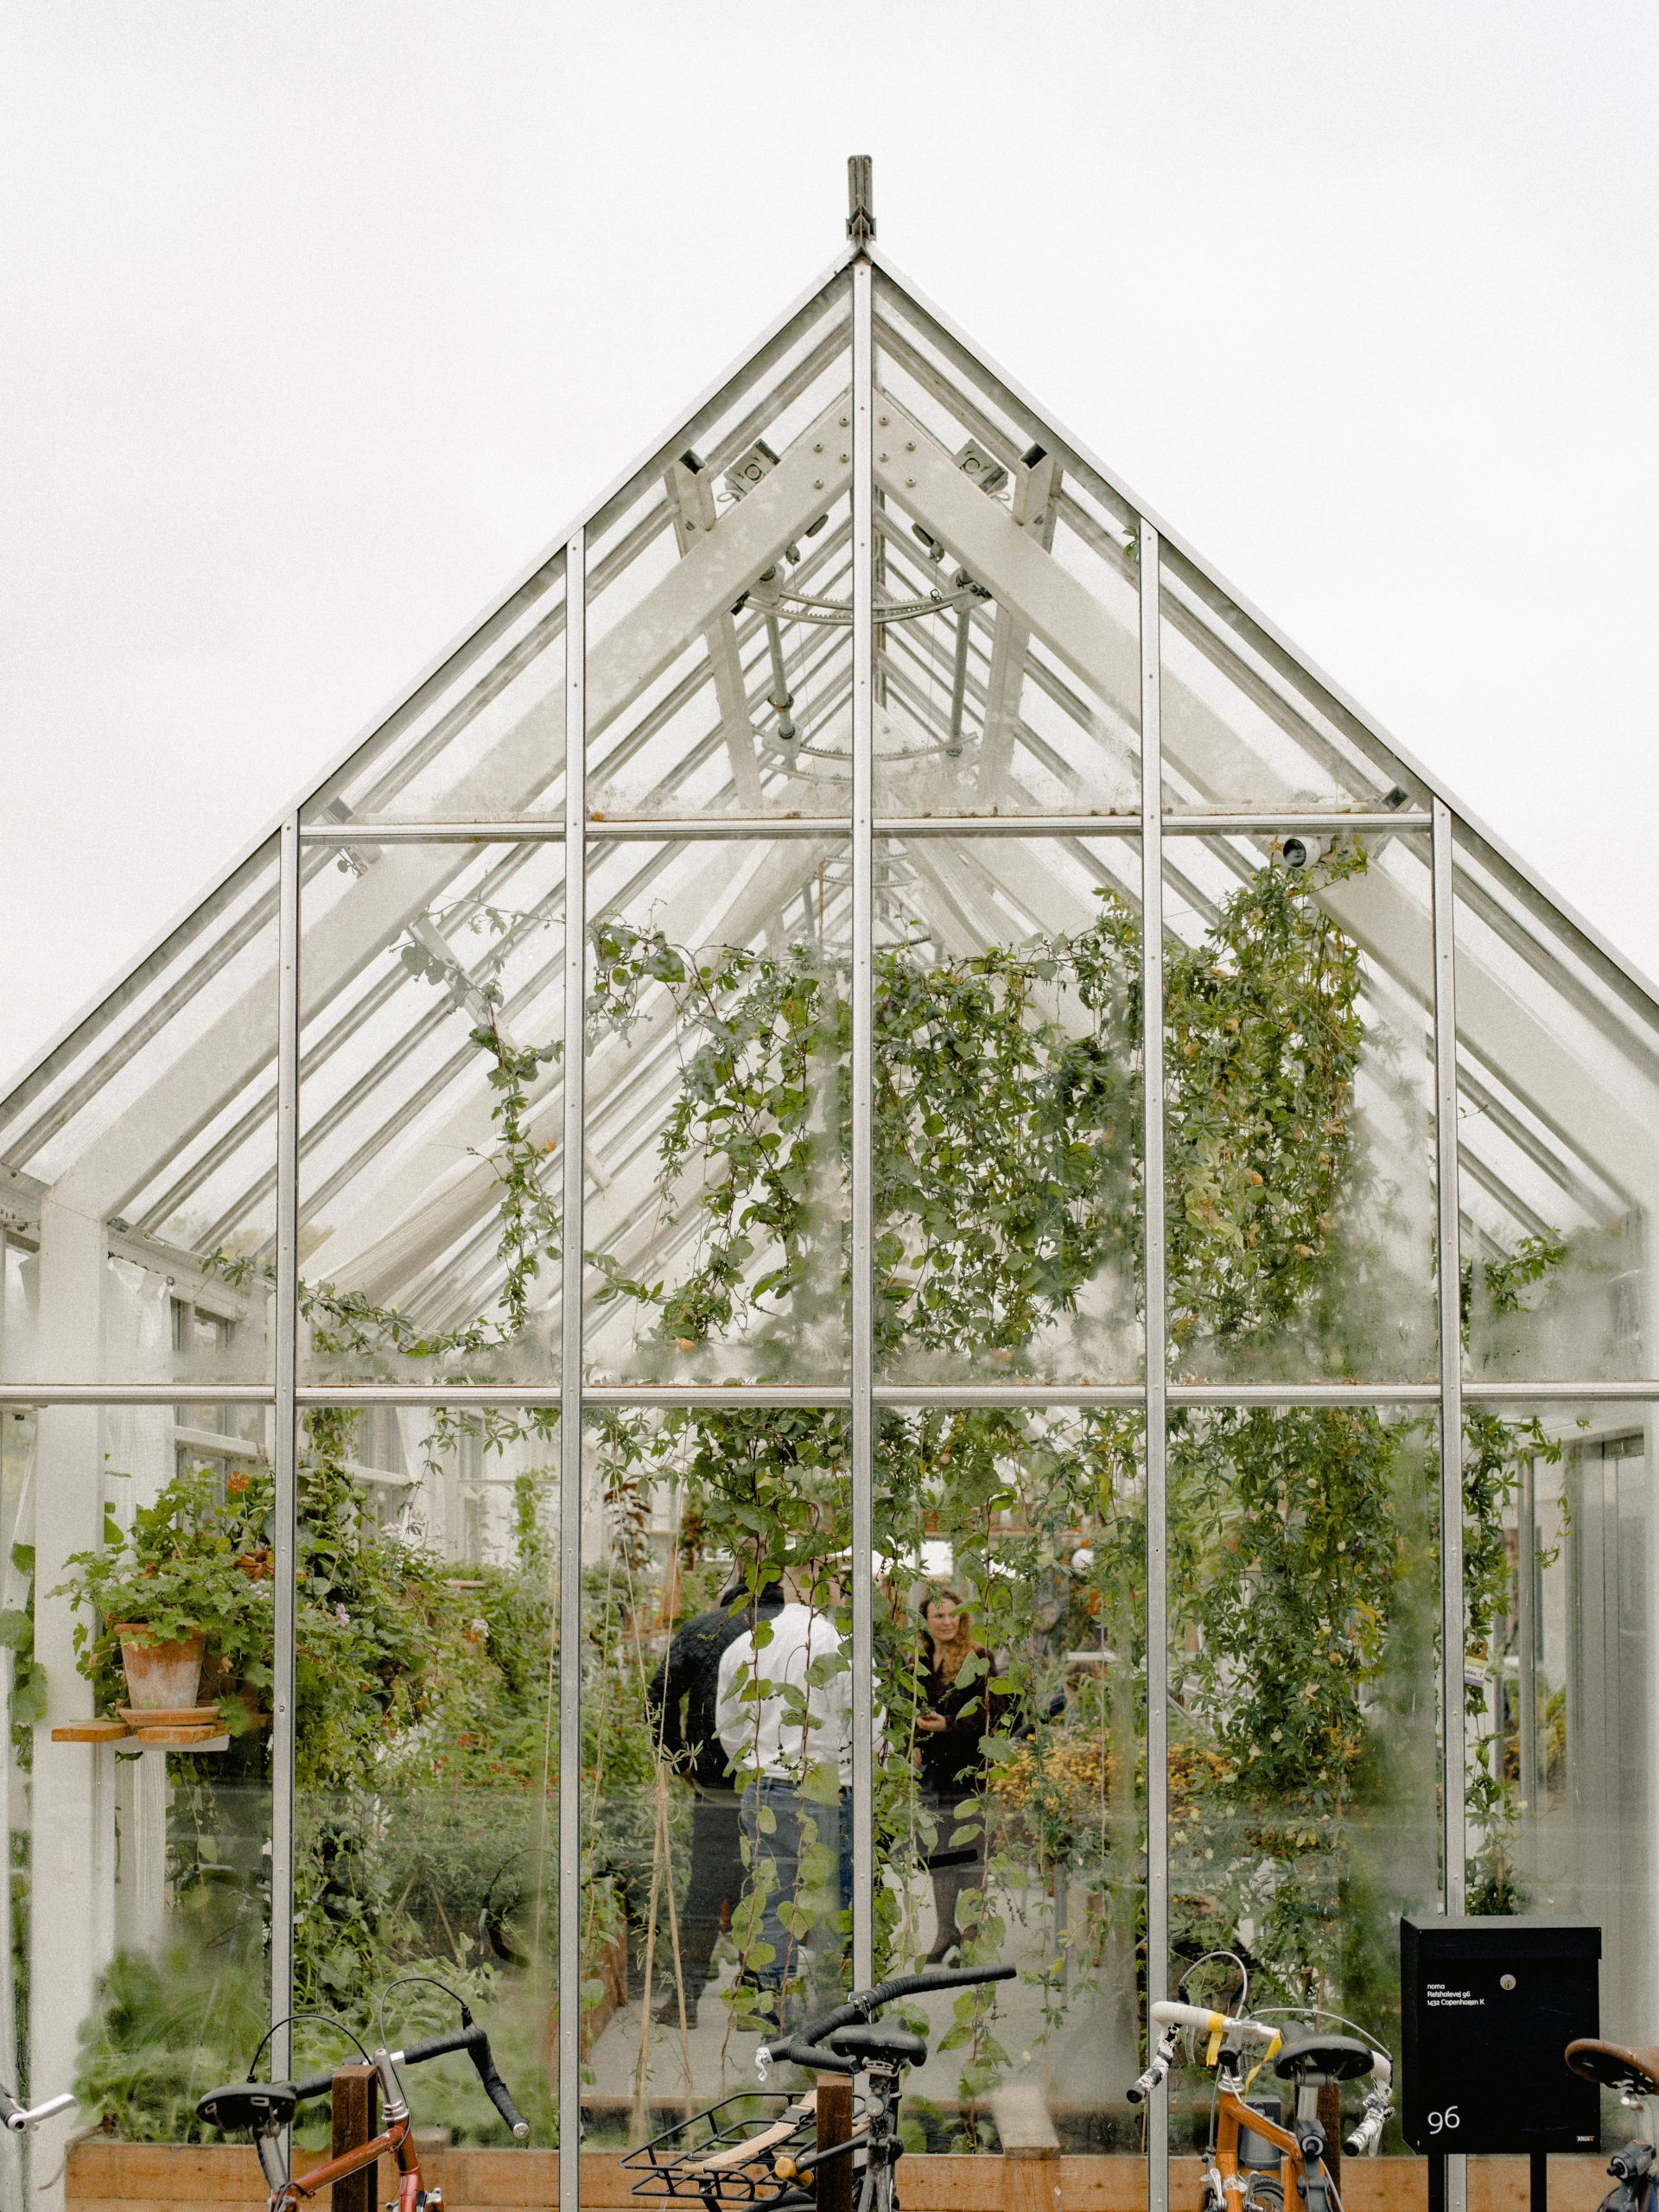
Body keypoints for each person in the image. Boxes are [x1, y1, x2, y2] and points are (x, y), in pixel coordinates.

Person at [715, 1568, 858, 2031]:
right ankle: (827, 2015)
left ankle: (771, 2007)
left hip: (762, 1788)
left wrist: (754, 1764)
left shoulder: (748, 1645)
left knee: (773, 1896)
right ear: (821, 1590)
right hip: (818, 1787)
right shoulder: (834, 1642)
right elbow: (857, 1720)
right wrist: (846, 1776)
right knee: (825, 1900)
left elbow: (729, 1721)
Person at [645, 1565, 785, 2028]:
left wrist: (673, 1757)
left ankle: (684, 2003)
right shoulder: (801, 1632)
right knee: (767, 1888)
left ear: (731, 1596)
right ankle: (758, 2006)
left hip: (715, 1783)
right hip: (782, 1786)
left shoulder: (702, 1629)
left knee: (704, 1894)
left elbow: (658, 1694)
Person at [914, 1586, 1005, 1964]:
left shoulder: (978, 1657)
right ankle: (945, 1931)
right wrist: (915, 1743)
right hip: (932, 1775)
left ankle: (970, 1934)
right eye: (938, 1616)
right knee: (938, 1853)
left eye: (952, 1614)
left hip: (968, 1773)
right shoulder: (918, 1661)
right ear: (927, 1622)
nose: (947, 1621)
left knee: (969, 1853)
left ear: (962, 1618)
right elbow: (909, 1709)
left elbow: (993, 1712)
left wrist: (948, 1725)